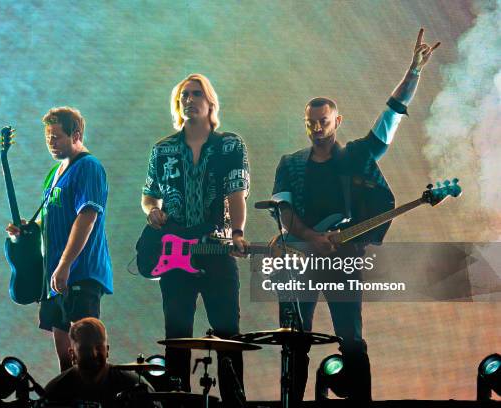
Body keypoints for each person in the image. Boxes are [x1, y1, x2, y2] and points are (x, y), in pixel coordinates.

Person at [271, 29, 440, 400]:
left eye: (324, 121)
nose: (317, 128)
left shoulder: (355, 157)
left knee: (351, 339)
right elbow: (283, 211)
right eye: (311, 122)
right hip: (301, 260)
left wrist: (413, 72)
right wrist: (313, 239)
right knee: (296, 341)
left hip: (342, 260)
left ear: (337, 121)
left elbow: (391, 115)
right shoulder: (291, 163)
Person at [141, 73, 250, 404]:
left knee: (227, 335)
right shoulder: (162, 150)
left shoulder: (230, 145)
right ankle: (177, 401)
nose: (189, 99)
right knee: (176, 337)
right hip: (175, 256)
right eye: (183, 95)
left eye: (196, 94)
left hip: (216, 251)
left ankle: (234, 401)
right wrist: (152, 211)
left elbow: (237, 193)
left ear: (210, 102)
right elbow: (149, 195)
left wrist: (238, 233)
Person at [6, 107, 112, 372]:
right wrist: (26, 229)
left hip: (80, 274)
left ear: (76, 135)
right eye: (48, 137)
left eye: (57, 136)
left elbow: (87, 218)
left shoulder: (89, 167)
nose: (51, 142)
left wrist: (65, 265)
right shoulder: (53, 175)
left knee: (88, 360)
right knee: (67, 366)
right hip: (55, 279)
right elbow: (48, 219)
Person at [44, 317, 157, 407]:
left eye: (98, 347)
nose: (93, 354)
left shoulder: (132, 384)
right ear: (72, 354)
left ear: (107, 350)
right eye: (85, 348)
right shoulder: (55, 391)